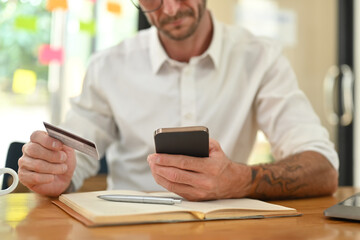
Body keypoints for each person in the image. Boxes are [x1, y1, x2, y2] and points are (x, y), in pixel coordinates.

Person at [18, 0, 338, 200]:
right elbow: (74, 158)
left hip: (225, 232)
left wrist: (239, 180)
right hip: (128, 229)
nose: (170, 9)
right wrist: (56, 171)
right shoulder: (108, 66)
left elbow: (323, 169)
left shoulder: (260, 58)